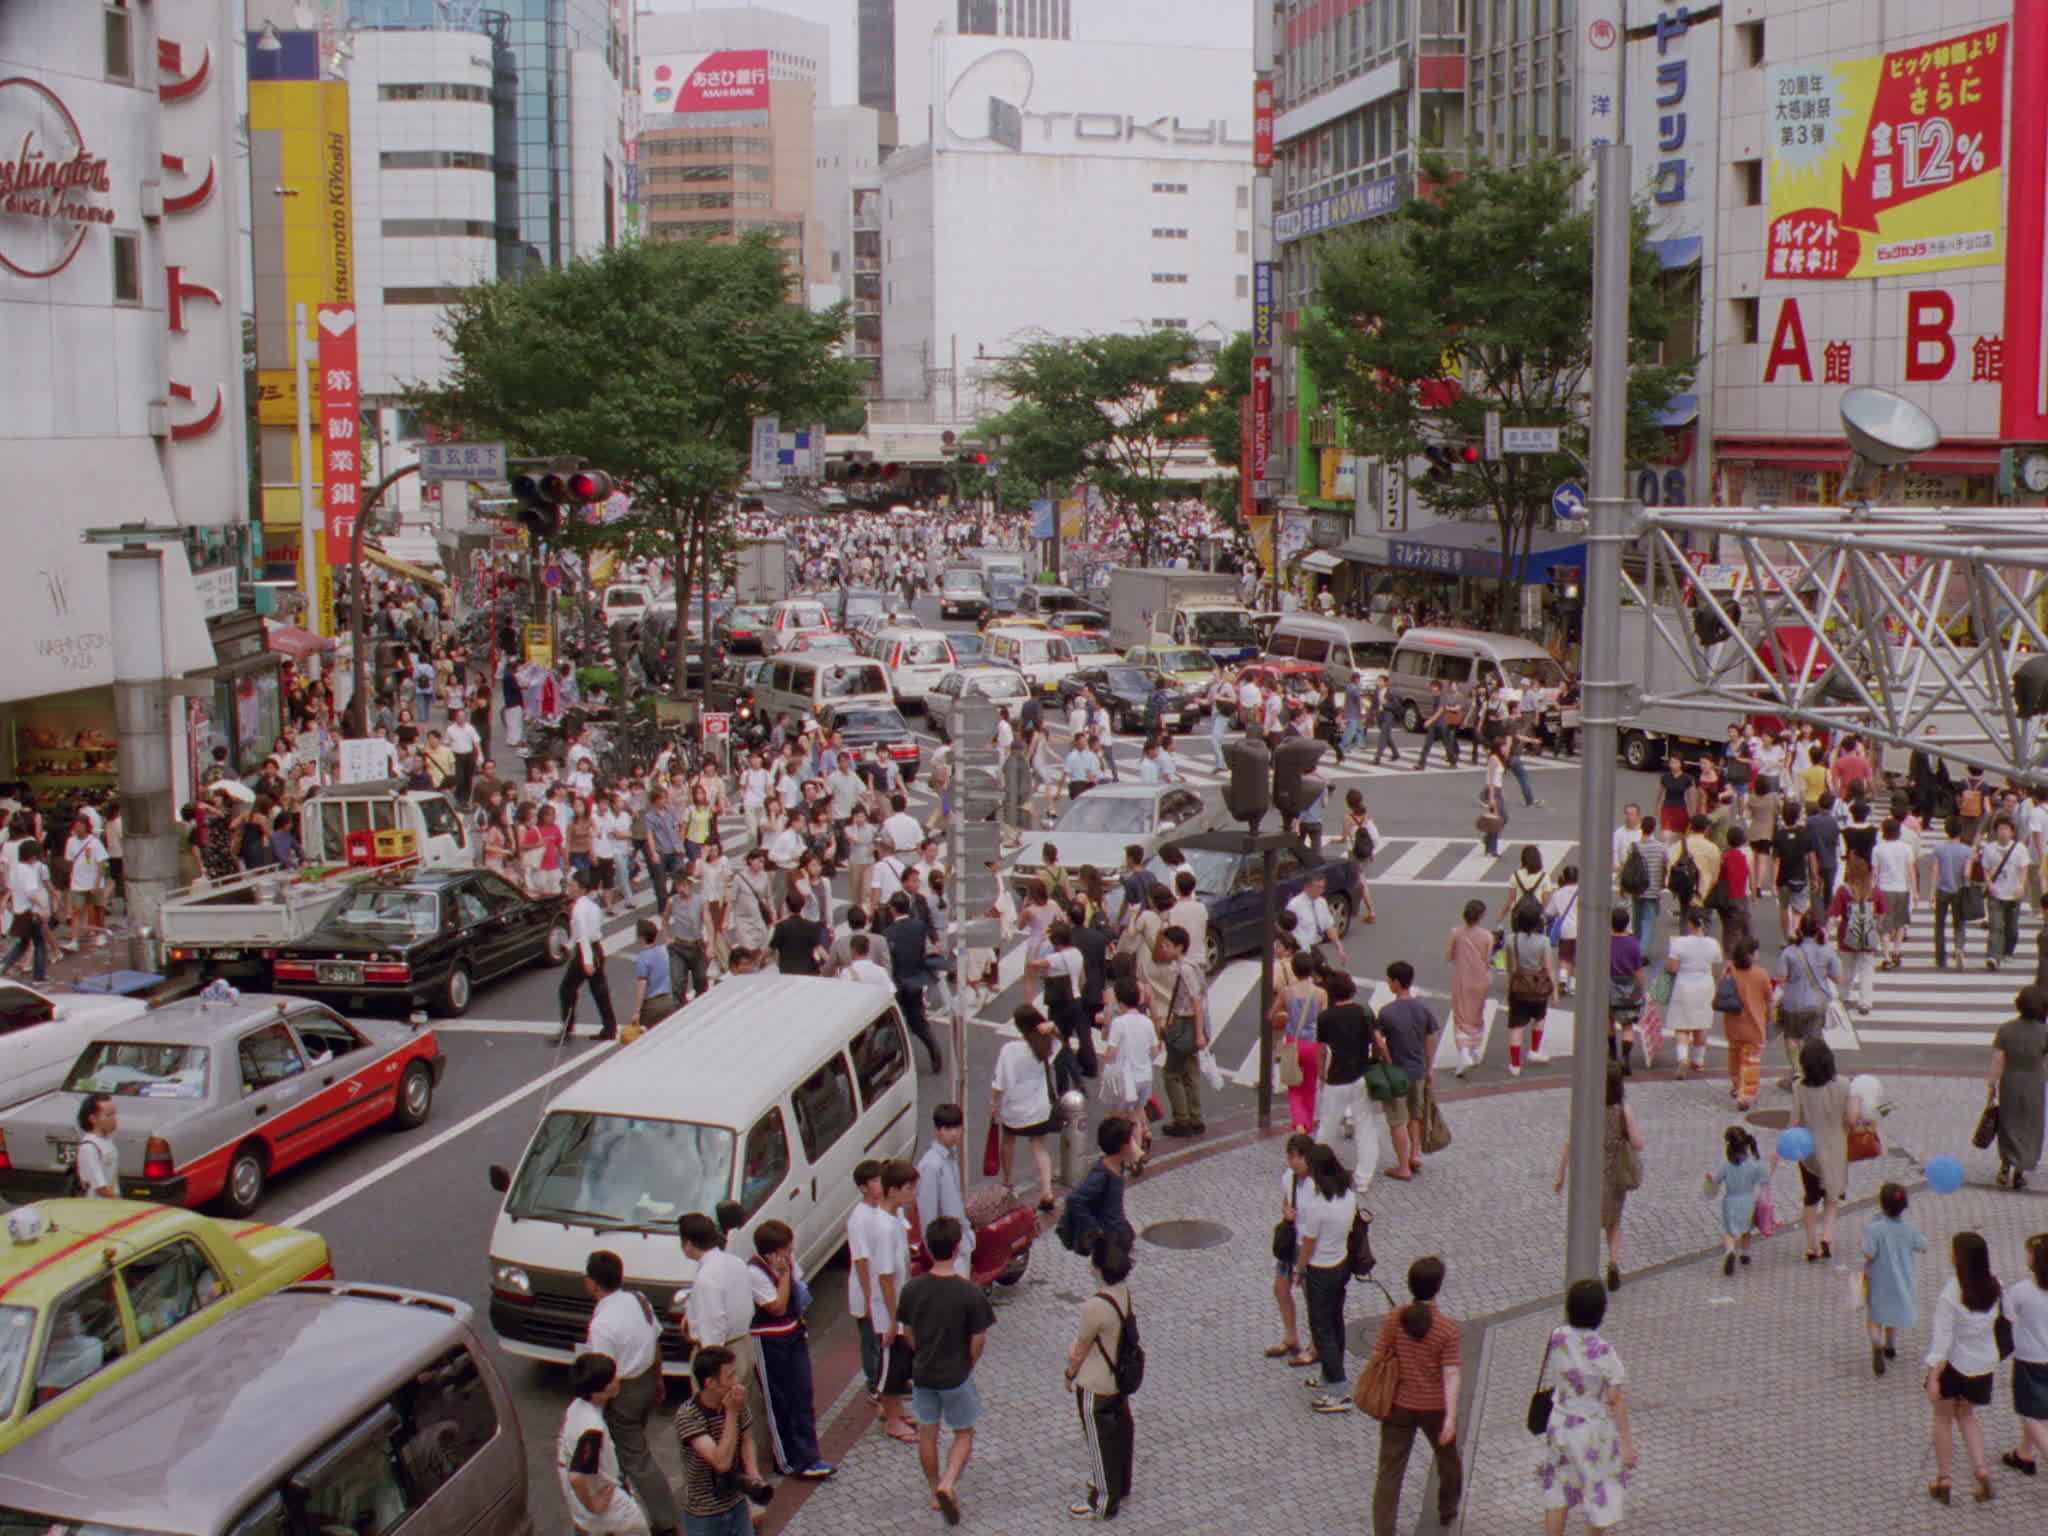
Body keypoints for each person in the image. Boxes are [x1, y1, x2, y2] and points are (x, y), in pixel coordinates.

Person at [895, 1216, 997, 1526]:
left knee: (928, 1431)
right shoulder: (969, 1293)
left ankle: (932, 1488)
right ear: (956, 1249)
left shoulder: (912, 1289)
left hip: (924, 1372)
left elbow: (908, 1332)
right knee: (963, 1432)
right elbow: (978, 1339)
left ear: (928, 1247)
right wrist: (968, 1363)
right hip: (956, 1375)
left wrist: (921, 1352)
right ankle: (948, 1482)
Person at [579, 1251, 678, 1536]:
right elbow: (655, 1340)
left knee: (636, 1459)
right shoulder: (639, 1299)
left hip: (623, 1395)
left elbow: (603, 1377)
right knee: (626, 1452)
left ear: (594, 1284)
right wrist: (658, 1379)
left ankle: (665, 1521)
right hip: (646, 1381)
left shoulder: (602, 1326)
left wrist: (594, 1412)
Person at [1370, 1256, 1463, 1536]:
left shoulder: (1393, 1320)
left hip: (1397, 1405)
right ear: (1437, 1288)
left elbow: (1379, 1355)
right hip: (1434, 1408)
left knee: (1390, 1472)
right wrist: (1451, 1418)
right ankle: (1447, 1508)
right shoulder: (1446, 1329)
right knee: (1448, 1462)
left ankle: (1384, 1530)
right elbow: (1451, 1374)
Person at [1536, 1279, 1636, 1534]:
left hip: (1559, 1423)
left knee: (1557, 1491)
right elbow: (1615, 1400)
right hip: (1592, 1430)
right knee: (1598, 1491)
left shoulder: (1557, 1337)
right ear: (1601, 1312)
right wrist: (1627, 1444)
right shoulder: (1604, 1353)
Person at [745, 1220, 835, 1480]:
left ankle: (809, 1456)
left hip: (794, 1335)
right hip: (770, 1342)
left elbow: (800, 1292)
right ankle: (786, 1460)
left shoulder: (789, 1261)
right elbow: (777, 1307)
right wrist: (783, 1275)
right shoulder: (755, 1272)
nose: (790, 1253)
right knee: (779, 1401)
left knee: (802, 1396)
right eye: (785, 1249)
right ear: (770, 1252)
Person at [1923, 1231, 2003, 1504]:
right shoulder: (1995, 1286)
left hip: (1954, 1365)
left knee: (1943, 1418)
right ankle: (1981, 1471)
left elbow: (1942, 1340)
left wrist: (1933, 1377)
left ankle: (1944, 1479)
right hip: (1982, 1364)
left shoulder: (1951, 1293)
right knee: (1967, 1416)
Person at [1065, 1234, 1136, 1521]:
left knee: (1098, 1440)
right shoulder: (1124, 1294)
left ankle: (1103, 1501)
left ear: (1097, 1267)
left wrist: (1069, 1374)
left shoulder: (1093, 1307)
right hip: (1117, 1380)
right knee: (1119, 1433)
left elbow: (1079, 1350)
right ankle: (1121, 1483)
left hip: (1095, 1384)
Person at [1554, 1063, 1643, 1291]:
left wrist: (1561, 1173)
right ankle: (1613, 1263)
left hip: (1589, 1173)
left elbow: (1571, 1142)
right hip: (1614, 1174)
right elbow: (1637, 1143)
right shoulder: (1623, 1110)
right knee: (1614, 1222)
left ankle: (1586, 1268)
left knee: (1589, 1220)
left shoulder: (1587, 1108)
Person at [672, 1346, 767, 1536]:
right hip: (705, 1514)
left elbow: (747, 1439)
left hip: (737, 1503)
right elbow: (721, 1462)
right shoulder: (689, 1415)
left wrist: (752, 1472)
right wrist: (731, 1413)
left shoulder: (736, 1400)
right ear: (710, 1383)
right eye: (730, 1376)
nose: (737, 1381)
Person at [1295, 1143, 1359, 1415]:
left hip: (1320, 1271)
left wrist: (1299, 1269)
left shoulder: (1318, 1206)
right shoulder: (1348, 1195)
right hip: (1341, 1264)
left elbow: (1308, 1244)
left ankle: (1338, 1389)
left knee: (1322, 1330)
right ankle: (1330, 1375)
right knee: (1335, 1323)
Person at [1784, 1037, 1859, 1263]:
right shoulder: (1844, 1085)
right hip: (1836, 1147)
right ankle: (1827, 1235)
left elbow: (1794, 1121)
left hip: (1809, 1151)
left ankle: (1810, 1243)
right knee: (1831, 1196)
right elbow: (1852, 1120)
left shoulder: (1800, 1087)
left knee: (1810, 1198)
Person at [559, 1353, 652, 1535]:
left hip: (583, 1506)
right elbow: (576, 1476)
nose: (617, 1380)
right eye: (612, 1379)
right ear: (598, 1391)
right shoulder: (592, 1429)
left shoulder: (576, 1407)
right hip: (610, 1506)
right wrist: (593, 1504)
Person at [990, 1006, 1058, 1212]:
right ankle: (1047, 1191)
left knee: (1008, 1142)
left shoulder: (1010, 1050)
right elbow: (1061, 1035)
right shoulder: (1046, 1045)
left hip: (1014, 1109)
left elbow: (999, 1084)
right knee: (1039, 1148)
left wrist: (995, 1105)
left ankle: (1009, 1182)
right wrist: (1052, 1026)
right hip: (1038, 1109)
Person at [1316, 969, 1378, 1187]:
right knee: (1365, 1127)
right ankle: (1363, 1178)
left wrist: (1321, 1075)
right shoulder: (1363, 1012)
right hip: (1360, 1075)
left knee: (1327, 1126)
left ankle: (1320, 1171)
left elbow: (1323, 1050)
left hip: (1336, 1078)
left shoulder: (1325, 1018)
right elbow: (1375, 1041)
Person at [1862, 1181, 1927, 1377]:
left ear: (1881, 1204)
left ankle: (1876, 1342)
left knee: (1874, 1316)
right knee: (1893, 1313)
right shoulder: (1910, 1229)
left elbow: (1869, 1253)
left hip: (1878, 1279)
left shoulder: (1875, 1229)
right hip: (1902, 1280)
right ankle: (1890, 1345)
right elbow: (1923, 1245)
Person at [1989, 983, 2048, 1190]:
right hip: (2034, 1081)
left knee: (2008, 1123)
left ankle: (2005, 1166)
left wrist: (1992, 1086)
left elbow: (1998, 1061)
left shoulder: (2005, 1029)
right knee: (2030, 1125)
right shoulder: (2044, 1032)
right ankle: (2020, 1171)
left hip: (2010, 1080)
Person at [1099, 975, 1157, 1169]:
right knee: (1136, 1118)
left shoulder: (1119, 1023)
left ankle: (1133, 1154)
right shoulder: (1146, 1022)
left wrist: (1106, 1061)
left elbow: (1111, 1051)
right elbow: (1155, 1051)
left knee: (1116, 1117)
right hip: (1145, 1077)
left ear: (1120, 1000)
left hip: (1126, 1078)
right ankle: (1135, 1160)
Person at [557, 871, 618, 1045]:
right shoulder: (593, 906)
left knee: (567, 989)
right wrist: (569, 946)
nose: (569, 889)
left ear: (582, 889)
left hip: (587, 952)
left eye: (572, 886)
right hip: (597, 948)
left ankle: (567, 1028)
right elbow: (588, 932)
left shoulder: (577, 909)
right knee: (600, 991)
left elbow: (582, 936)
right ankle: (610, 1027)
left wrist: (586, 961)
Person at [1662, 908, 1722, 1081]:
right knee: (1701, 1024)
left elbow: (1672, 967)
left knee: (1682, 1025)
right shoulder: (1713, 944)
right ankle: (1698, 1059)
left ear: (1690, 924)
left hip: (1684, 983)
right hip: (1705, 984)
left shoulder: (1679, 942)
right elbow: (1715, 968)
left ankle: (1682, 1058)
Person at [2005, 1231, 2048, 1475]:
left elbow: (2007, 1317)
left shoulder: (2022, 1290)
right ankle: (2024, 1453)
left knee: (2028, 1413)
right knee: (2037, 1409)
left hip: (2029, 1360)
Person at [914, 1103, 974, 1271]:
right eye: (948, 1128)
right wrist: (937, 1258)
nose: (954, 1133)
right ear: (938, 1130)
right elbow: (927, 1216)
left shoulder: (950, 1157)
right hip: (946, 1254)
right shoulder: (931, 1166)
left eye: (957, 1127)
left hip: (961, 1244)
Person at [1502, 898, 1555, 1077]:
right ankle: (1534, 1049)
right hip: (1538, 984)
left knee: (1516, 1025)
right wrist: (1554, 990)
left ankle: (1515, 1064)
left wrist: (1511, 979)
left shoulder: (1511, 939)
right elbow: (1548, 967)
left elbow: (1509, 966)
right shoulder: (1544, 942)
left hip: (1519, 984)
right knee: (1539, 1018)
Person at [1706, 1126, 1768, 1276]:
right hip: (1749, 1200)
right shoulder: (1754, 1162)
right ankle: (1746, 1253)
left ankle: (1730, 1251)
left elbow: (1716, 1181)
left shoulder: (1726, 1164)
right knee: (1747, 1229)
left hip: (1731, 1201)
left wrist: (1709, 1179)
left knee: (1729, 1231)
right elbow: (1764, 1179)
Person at [1721, 938, 1772, 1111]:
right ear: (1751, 955)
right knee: (1750, 1061)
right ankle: (1746, 1095)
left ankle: (1736, 1086)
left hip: (1733, 1024)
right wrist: (1770, 1018)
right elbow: (1769, 1000)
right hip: (1754, 1026)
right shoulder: (1761, 974)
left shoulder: (1728, 971)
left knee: (1734, 1057)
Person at [1445, 898, 1492, 1076]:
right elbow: (1488, 960)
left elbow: (1449, 955)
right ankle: (1475, 1048)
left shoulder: (1457, 933)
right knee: (1477, 1013)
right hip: (1481, 979)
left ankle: (1464, 1052)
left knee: (1461, 1015)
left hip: (1463, 979)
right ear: (1481, 916)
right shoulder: (1488, 936)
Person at [1605, 909, 1650, 1076]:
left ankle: (1612, 1053)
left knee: (1608, 1020)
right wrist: (1642, 988)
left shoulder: (1606, 941)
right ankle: (1626, 1058)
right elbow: (1638, 970)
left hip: (1609, 985)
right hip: (1629, 985)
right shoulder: (1633, 944)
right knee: (1628, 1024)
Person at [626, 920, 676, 1035]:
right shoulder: (664, 951)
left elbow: (642, 984)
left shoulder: (643, 957)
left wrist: (637, 1011)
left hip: (652, 1005)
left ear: (641, 937)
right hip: (669, 999)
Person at [73, 1093, 119, 1198]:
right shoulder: (89, 1147)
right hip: (95, 1208)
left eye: (114, 1114)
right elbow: (100, 1188)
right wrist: (121, 1203)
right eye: (109, 1115)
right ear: (93, 1119)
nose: (114, 1119)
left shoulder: (107, 1140)